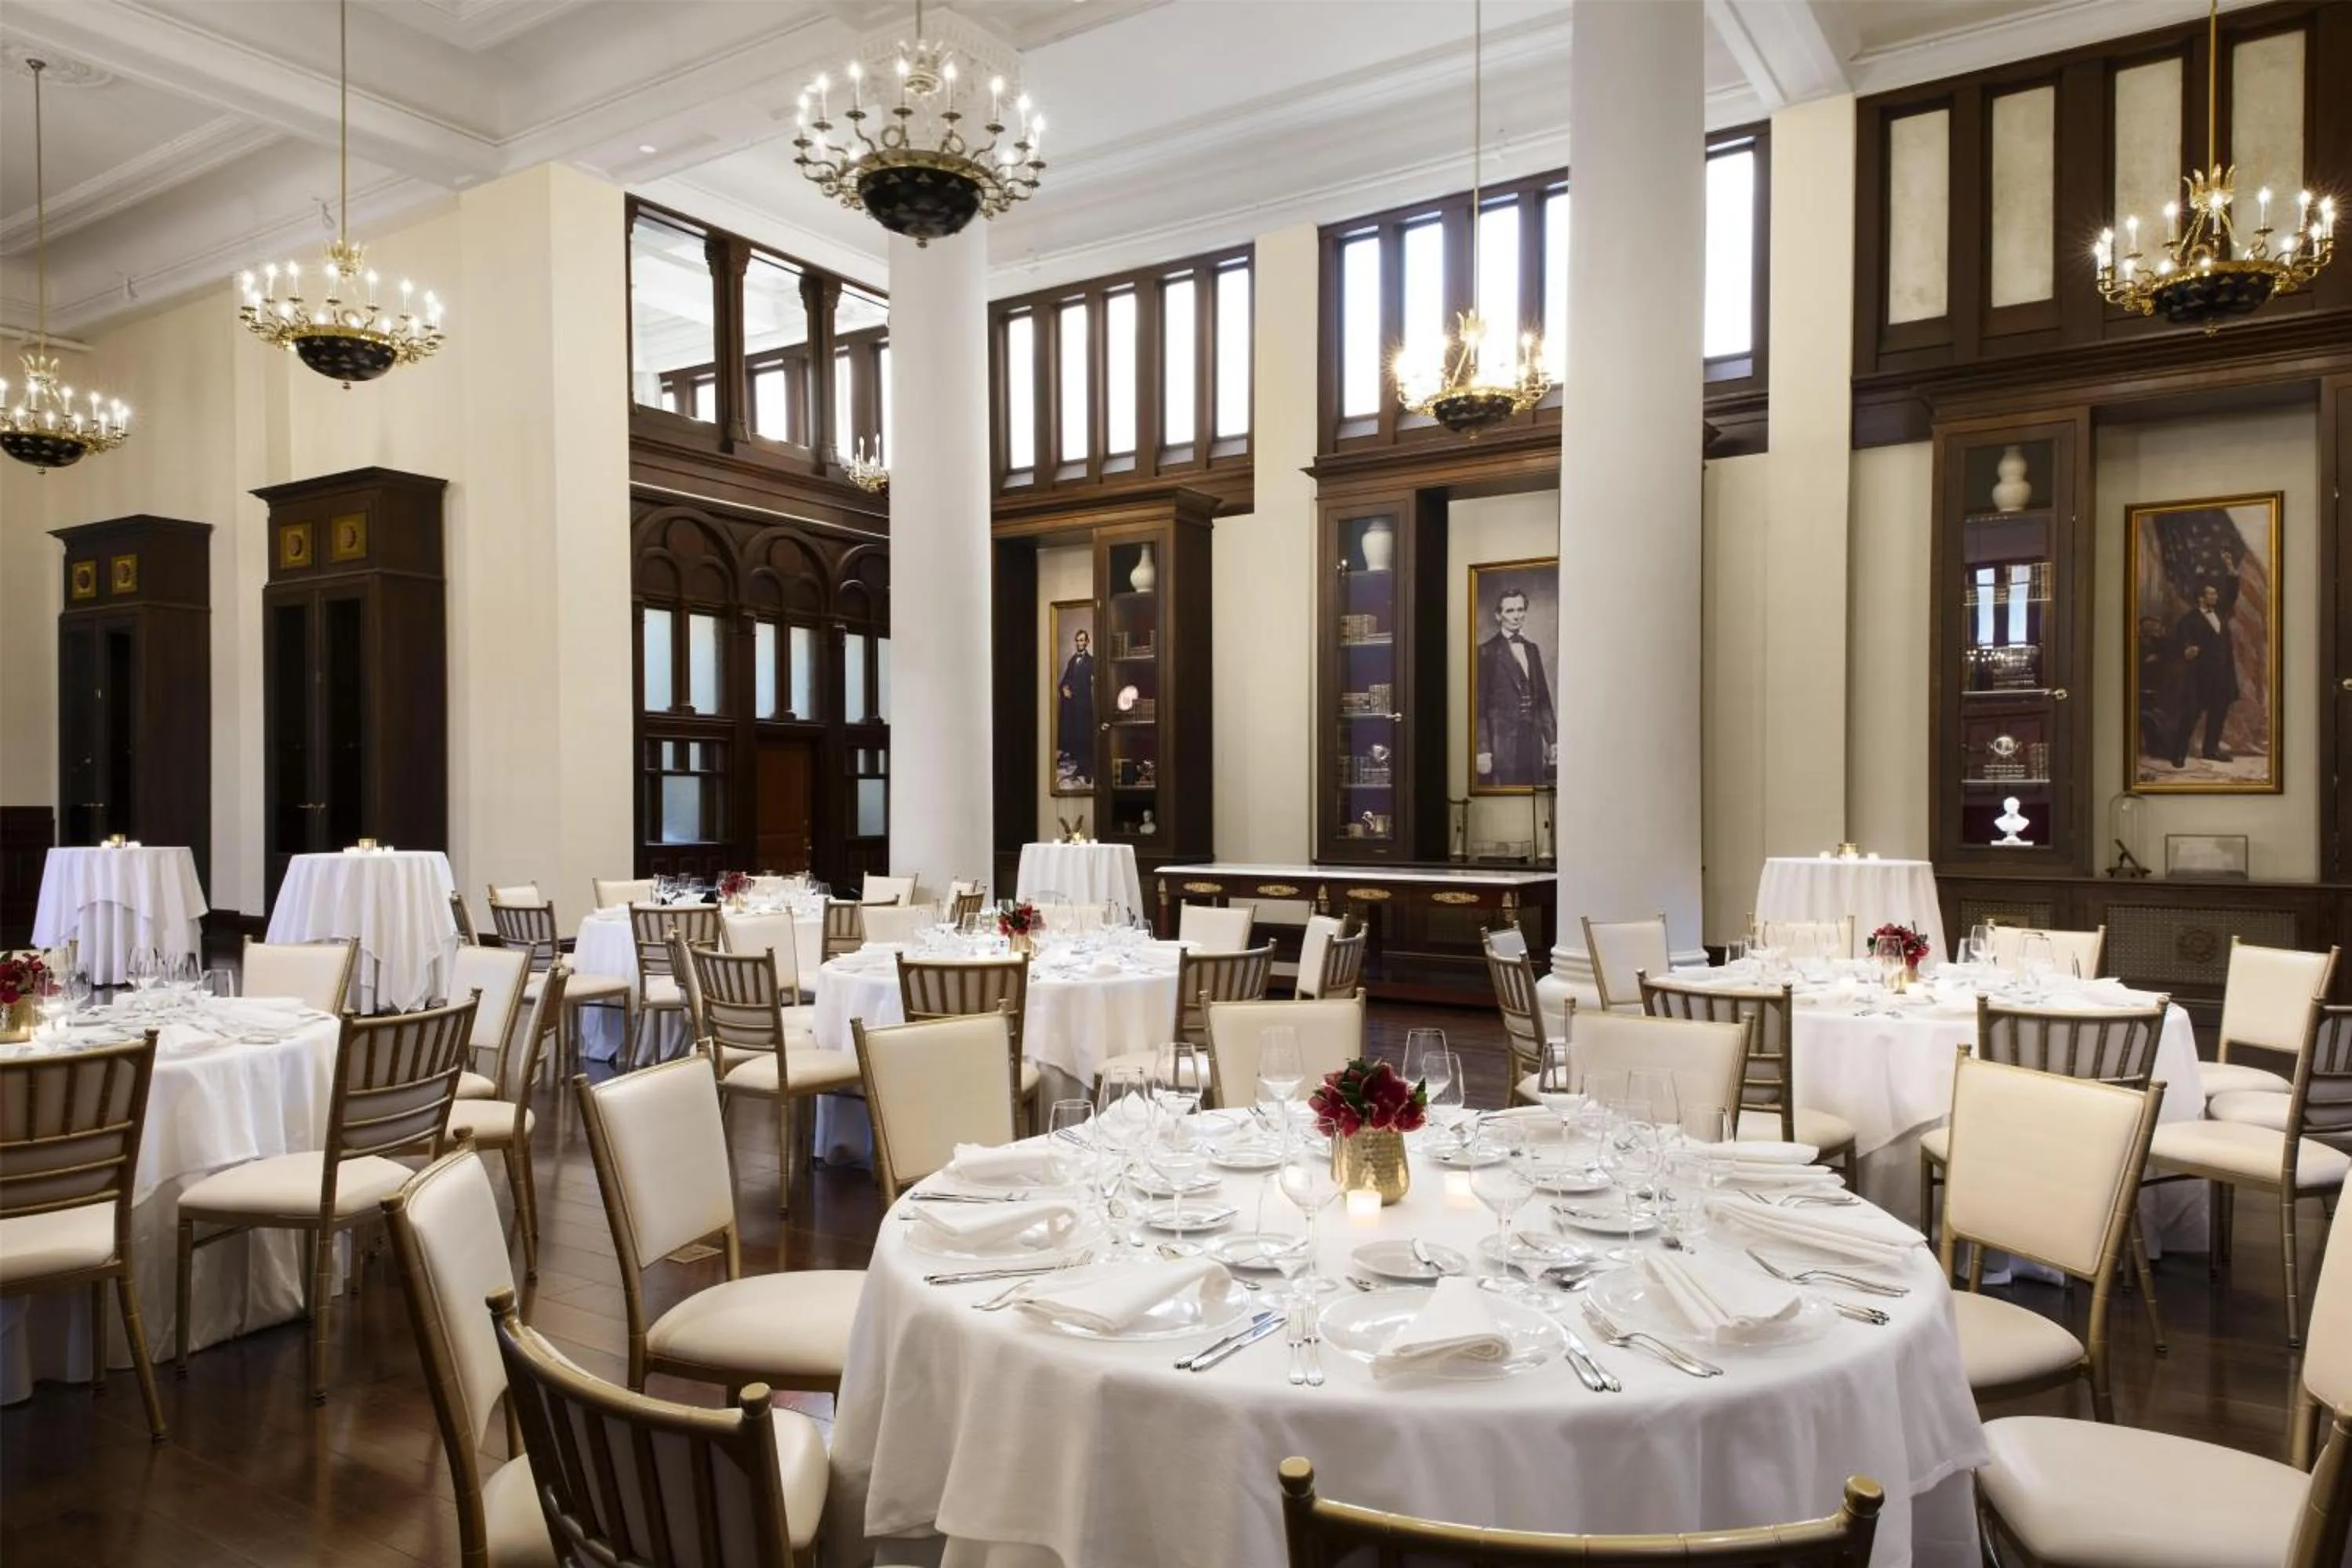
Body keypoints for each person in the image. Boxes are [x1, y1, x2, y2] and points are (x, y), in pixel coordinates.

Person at [1474, 588, 1556, 787]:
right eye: (1510, 611)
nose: (1517, 616)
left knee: (1534, 792)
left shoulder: (1532, 649)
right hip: (1501, 743)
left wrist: (1553, 741)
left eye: (1520, 610)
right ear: (1498, 615)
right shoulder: (1486, 651)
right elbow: (1479, 706)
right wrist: (1482, 749)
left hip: (1532, 739)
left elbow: (1543, 700)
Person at [2168, 580, 2238, 767]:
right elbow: (2180, 643)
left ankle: (2211, 750)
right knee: (2191, 713)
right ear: (2201, 597)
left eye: (2215, 593)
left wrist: (2231, 571)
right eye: (2211, 594)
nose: (2215, 596)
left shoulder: (2221, 614)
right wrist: (2186, 651)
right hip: (2200, 677)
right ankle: (2178, 754)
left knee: (2218, 712)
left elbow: (2232, 594)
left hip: (2222, 676)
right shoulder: (2189, 620)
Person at [1055, 627, 1095, 786]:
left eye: (1082, 640)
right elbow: (1066, 678)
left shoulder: (1092, 661)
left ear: (1087, 642)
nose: (1080, 643)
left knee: (1086, 736)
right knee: (1077, 736)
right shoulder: (1072, 660)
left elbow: (1096, 680)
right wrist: (1064, 688)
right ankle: (1080, 767)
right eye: (1078, 640)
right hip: (1073, 707)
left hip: (1085, 706)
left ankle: (1088, 769)